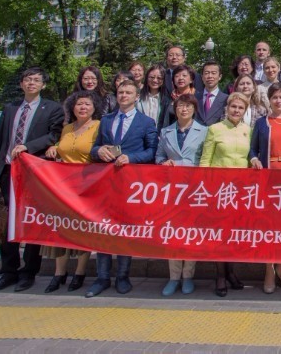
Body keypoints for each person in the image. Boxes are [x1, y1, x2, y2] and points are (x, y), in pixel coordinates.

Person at [0, 67, 65, 294]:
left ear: (43, 85)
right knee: (7, 221)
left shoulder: (52, 109)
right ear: (21, 84)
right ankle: (8, 271)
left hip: (33, 172)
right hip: (8, 170)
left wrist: (29, 147)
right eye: (27, 80)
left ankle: (29, 271)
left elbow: (53, 135)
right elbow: (0, 141)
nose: (31, 83)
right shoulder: (10, 108)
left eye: (36, 80)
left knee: (32, 220)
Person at [86, 79, 158, 297]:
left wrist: (132, 157)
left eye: (128, 92)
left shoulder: (146, 122)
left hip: (130, 183)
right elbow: (94, 148)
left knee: (125, 229)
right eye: (120, 92)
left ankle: (123, 276)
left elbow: (152, 152)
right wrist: (98, 151)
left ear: (137, 96)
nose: (123, 95)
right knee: (103, 229)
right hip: (106, 182)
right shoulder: (105, 121)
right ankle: (102, 277)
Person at [40, 90, 99, 294]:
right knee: (61, 229)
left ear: (94, 108)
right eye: (79, 104)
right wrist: (54, 147)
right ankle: (59, 273)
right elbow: (64, 147)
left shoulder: (99, 127)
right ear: (73, 108)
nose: (83, 108)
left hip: (86, 186)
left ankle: (80, 272)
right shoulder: (66, 129)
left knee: (83, 230)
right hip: (63, 188)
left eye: (87, 105)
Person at [199, 92, 252, 296]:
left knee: (234, 234)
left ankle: (231, 271)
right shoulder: (214, 129)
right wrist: (205, 188)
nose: (236, 111)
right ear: (226, 108)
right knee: (219, 235)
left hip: (240, 191)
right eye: (233, 107)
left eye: (240, 108)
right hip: (218, 190)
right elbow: (205, 160)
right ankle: (220, 275)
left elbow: (250, 158)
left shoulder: (249, 130)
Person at [249, 83, 281, 294]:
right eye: (275, 97)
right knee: (268, 229)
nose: (279, 101)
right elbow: (252, 149)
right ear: (269, 100)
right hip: (267, 181)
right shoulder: (261, 123)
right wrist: (253, 158)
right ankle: (268, 270)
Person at [155, 93, 208, 296]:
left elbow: (204, 159)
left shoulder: (204, 132)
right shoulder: (166, 131)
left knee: (190, 235)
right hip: (171, 190)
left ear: (194, 109)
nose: (183, 109)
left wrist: (181, 166)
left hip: (195, 189)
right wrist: (162, 163)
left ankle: (188, 276)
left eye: (187, 106)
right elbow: (159, 155)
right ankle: (174, 277)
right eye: (180, 106)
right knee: (173, 233)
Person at [198, 61, 228, 127]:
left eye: (213, 73)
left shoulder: (226, 99)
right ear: (202, 77)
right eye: (206, 73)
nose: (210, 76)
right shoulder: (194, 98)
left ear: (220, 77)